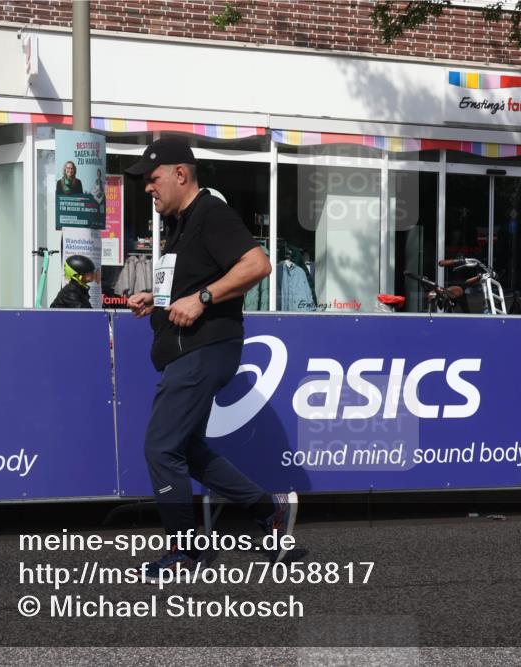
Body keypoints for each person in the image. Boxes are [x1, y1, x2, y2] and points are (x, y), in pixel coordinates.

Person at [125, 137, 297, 575]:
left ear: (181, 174)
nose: (148, 187)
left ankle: (186, 551)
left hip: (202, 351)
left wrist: (201, 297)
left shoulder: (210, 214)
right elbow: (192, 284)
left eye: (153, 178)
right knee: (185, 448)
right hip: (191, 351)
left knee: (160, 448)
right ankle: (267, 509)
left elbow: (258, 265)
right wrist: (157, 300)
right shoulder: (182, 224)